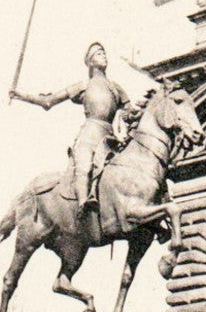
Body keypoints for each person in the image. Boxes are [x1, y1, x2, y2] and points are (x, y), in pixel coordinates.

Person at [10, 42, 145, 219]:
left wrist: (136, 115)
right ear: (89, 62)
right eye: (98, 54)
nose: (103, 56)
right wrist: (21, 95)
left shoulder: (116, 87)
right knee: (84, 163)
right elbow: (48, 102)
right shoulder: (84, 85)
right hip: (90, 133)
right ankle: (83, 203)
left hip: (111, 136)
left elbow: (129, 112)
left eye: (104, 53)